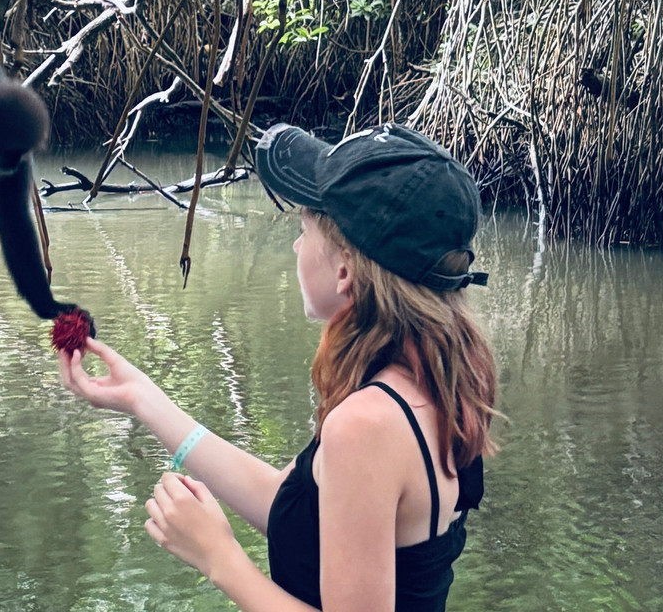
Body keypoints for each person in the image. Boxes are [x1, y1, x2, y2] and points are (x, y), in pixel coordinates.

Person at [58, 122, 499, 612]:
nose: (295, 246)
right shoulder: (431, 381)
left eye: (303, 227)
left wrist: (219, 558)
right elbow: (291, 506)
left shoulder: (367, 424)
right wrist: (141, 398)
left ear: (345, 269)